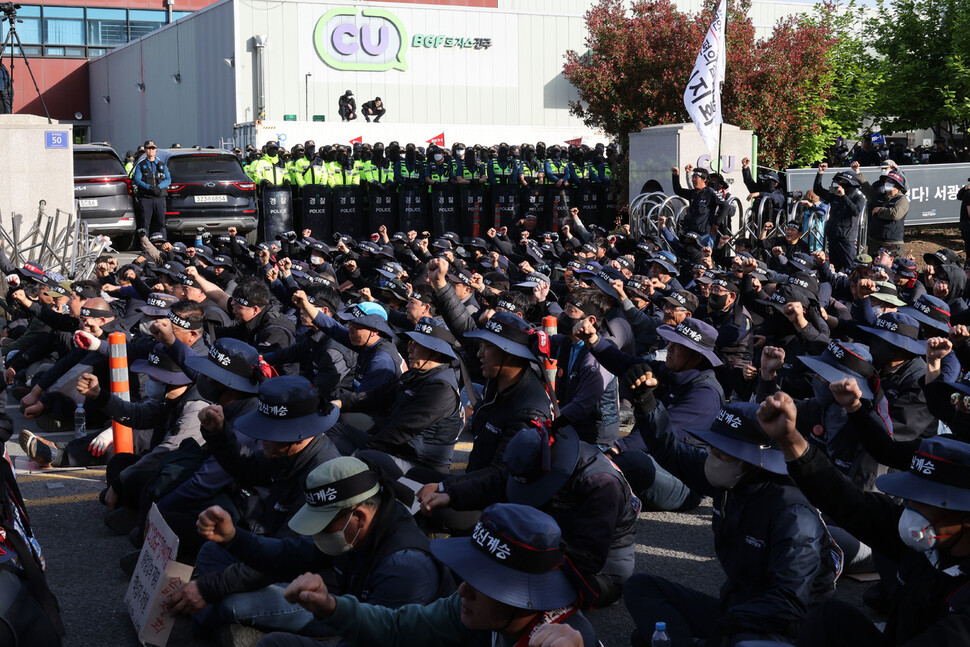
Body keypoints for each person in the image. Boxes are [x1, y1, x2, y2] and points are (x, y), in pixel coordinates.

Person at [622, 378, 837, 647]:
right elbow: (672, 451)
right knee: (640, 589)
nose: (712, 455)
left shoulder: (793, 514)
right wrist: (646, 402)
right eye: (713, 447)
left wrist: (724, 629)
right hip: (737, 609)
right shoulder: (732, 479)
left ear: (753, 461)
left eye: (721, 452)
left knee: (653, 638)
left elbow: (789, 603)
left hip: (785, 628)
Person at [757, 388, 970, 646]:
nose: (911, 509)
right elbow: (847, 501)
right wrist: (789, 439)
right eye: (912, 497)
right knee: (831, 618)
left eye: (926, 502)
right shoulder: (927, 547)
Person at [255, 503, 597, 647]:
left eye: (482, 584)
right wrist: (332, 607)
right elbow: (398, 626)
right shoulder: (468, 609)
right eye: (467, 575)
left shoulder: (563, 638)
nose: (462, 590)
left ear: (525, 600)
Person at [131, 140, 171, 236]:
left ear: (155, 150)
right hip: (146, 197)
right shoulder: (141, 165)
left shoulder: (161, 165)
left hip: (159, 197)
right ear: (145, 150)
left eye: (153, 148)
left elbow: (168, 179)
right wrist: (149, 187)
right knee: (145, 224)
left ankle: (163, 246)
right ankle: (146, 248)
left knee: (161, 223)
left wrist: (158, 187)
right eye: (148, 148)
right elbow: (137, 180)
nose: (151, 150)